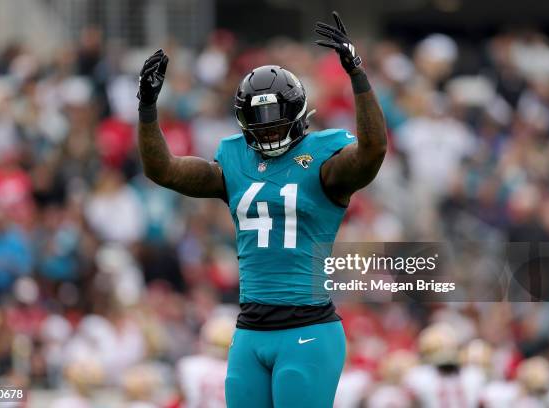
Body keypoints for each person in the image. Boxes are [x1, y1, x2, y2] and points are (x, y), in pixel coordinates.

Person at [137, 11, 387, 408]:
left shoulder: (323, 161)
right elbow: (162, 170)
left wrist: (357, 75)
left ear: (299, 114)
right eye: (260, 122)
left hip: (307, 329)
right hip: (249, 330)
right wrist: (148, 109)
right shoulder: (234, 163)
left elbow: (373, 151)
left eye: (277, 121)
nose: (269, 130)